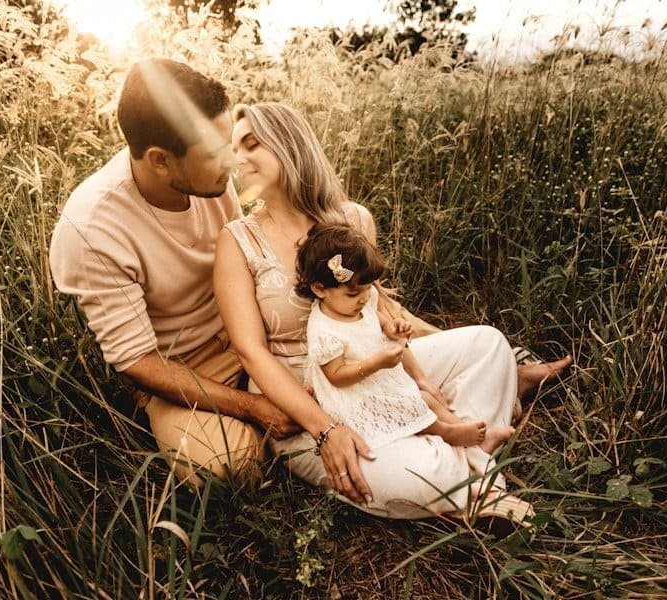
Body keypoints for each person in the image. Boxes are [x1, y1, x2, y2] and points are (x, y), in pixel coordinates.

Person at [214, 102, 573, 520]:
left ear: (288, 144)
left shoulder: (351, 219)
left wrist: (427, 365)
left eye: (250, 144)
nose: (236, 157)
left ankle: (454, 463)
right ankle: (471, 469)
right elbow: (250, 352)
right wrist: (324, 429)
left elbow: (381, 309)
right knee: (407, 474)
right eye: (232, 148)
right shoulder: (237, 241)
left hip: (381, 365)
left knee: (490, 345)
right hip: (307, 396)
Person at [49, 59, 298, 487]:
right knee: (226, 468)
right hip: (183, 365)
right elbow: (137, 362)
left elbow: (245, 256)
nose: (234, 163)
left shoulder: (210, 181)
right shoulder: (92, 229)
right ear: (161, 161)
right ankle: (263, 420)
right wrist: (251, 406)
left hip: (247, 322)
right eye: (217, 154)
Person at [297, 222, 516, 453]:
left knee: (425, 400)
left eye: (367, 289)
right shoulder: (324, 332)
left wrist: (391, 327)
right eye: (353, 293)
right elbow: (337, 377)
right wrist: (376, 363)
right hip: (354, 396)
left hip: (378, 380)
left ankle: (472, 434)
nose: (363, 298)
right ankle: (449, 433)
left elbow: (374, 316)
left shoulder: (360, 300)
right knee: (412, 406)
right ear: (320, 289)